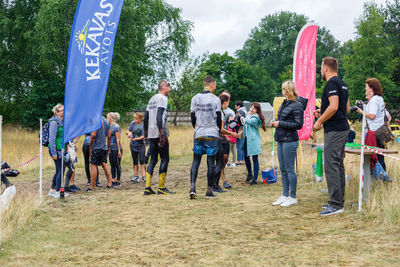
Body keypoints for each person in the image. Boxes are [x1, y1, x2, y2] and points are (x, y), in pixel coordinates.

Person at [313, 57, 350, 216]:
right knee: (338, 164)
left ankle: (335, 204)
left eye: (321, 67)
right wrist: (324, 111)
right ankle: (338, 201)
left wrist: (319, 121)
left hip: (334, 130)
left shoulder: (331, 84)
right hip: (342, 127)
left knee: (331, 165)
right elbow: (345, 108)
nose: (320, 71)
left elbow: (334, 107)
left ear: (326, 68)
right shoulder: (342, 83)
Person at [271, 81, 306, 207]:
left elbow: (298, 124)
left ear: (289, 90)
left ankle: (293, 196)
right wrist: (275, 122)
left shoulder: (297, 105)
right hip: (281, 138)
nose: (282, 91)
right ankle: (285, 194)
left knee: (290, 169)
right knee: (283, 168)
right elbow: (283, 119)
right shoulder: (284, 102)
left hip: (290, 140)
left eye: (284, 89)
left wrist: (280, 123)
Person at [189, 76, 222, 199]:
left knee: (196, 161)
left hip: (199, 132)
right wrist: (218, 130)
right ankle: (209, 190)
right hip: (212, 133)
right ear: (212, 85)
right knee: (210, 163)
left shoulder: (195, 98)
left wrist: (197, 127)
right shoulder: (215, 99)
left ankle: (192, 187)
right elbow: (218, 117)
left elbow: (192, 117)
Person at [356, 78, 391, 182]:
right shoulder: (379, 99)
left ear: (371, 88)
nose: (365, 89)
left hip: (373, 133)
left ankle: (383, 177)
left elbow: (372, 116)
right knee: (379, 157)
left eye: (366, 87)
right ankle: (380, 179)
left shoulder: (375, 100)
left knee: (372, 157)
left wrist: (361, 111)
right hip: (380, 132)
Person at [144, 80, 175, 195]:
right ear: (163, 87)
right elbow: (159, 116)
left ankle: (147, 187)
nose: (170, 90)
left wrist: (146, 132)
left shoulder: (151, 99)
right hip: (159, 133)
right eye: (169, 87)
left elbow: (146, 117)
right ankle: (161, 187)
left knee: (153, 159)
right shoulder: (163, 99)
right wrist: (162, 133)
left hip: (151, 134)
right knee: (165, 159)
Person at [239, 102, 267, 185]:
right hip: (246, 140)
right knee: (246, 157)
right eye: (251, 107)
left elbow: (249, 122)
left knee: (255, 159)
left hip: (253, 140)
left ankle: (255, 179)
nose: (251, 109)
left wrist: (242, 118)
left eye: (254, 109)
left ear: (257, 111)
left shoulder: (256, 117)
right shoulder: (248, 115)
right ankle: (250, 174)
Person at [47, 104, 69, 198]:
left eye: (64, 110)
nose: (63, 112)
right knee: (61, 169)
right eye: (61, 110)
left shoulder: (62, 122)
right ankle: (57, 191)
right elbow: (52, 139)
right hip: (56, 150)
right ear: (56, 112)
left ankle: (52, 190)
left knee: (59, 170)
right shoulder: (54, 123)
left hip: (62, 149)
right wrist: (53, 153)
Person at [87, 116, 114, 192]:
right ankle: (109, 183)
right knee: (104, 164)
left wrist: (90, 147)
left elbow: (93, 134)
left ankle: (92, 186)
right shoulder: (106, 120)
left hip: (96, 147)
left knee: (93, 165)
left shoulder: (95, 119)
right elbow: (109, 136)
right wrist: (108, 146)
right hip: (104, 146)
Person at [127, 112, 146, 184]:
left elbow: (143, 136)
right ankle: (136, 176)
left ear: (141, 119)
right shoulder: (133, 123)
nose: (135, 120)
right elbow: (128, 130)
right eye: (134, 118)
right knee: (135, 161)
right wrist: (129, 133)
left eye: (137, 119)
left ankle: (144, 176)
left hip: (141, 144)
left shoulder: (144, 124)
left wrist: (136, 139)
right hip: (133, 145)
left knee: (142, 160)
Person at [107, 112, 123, 187]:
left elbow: (118, 139)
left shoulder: (116, 127)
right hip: (111, 148)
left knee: (117, 164)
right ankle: (113, 179)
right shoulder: (109, 126)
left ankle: (118, 180)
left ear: (110, 118)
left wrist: (119, 150)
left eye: (107, 118)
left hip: (116, 148)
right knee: (112, 164)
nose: (106, 119)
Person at [234, 101, 247, 165]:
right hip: (244, 129)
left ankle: (239, 160)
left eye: (235, 106)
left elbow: (237, 121)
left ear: (238, 106)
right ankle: (243, 160)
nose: (235, 107)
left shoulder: (240, 111)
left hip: (240, 130)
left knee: (239, 145)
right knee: (242, 145)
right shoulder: (244, 111)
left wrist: (233, 120)